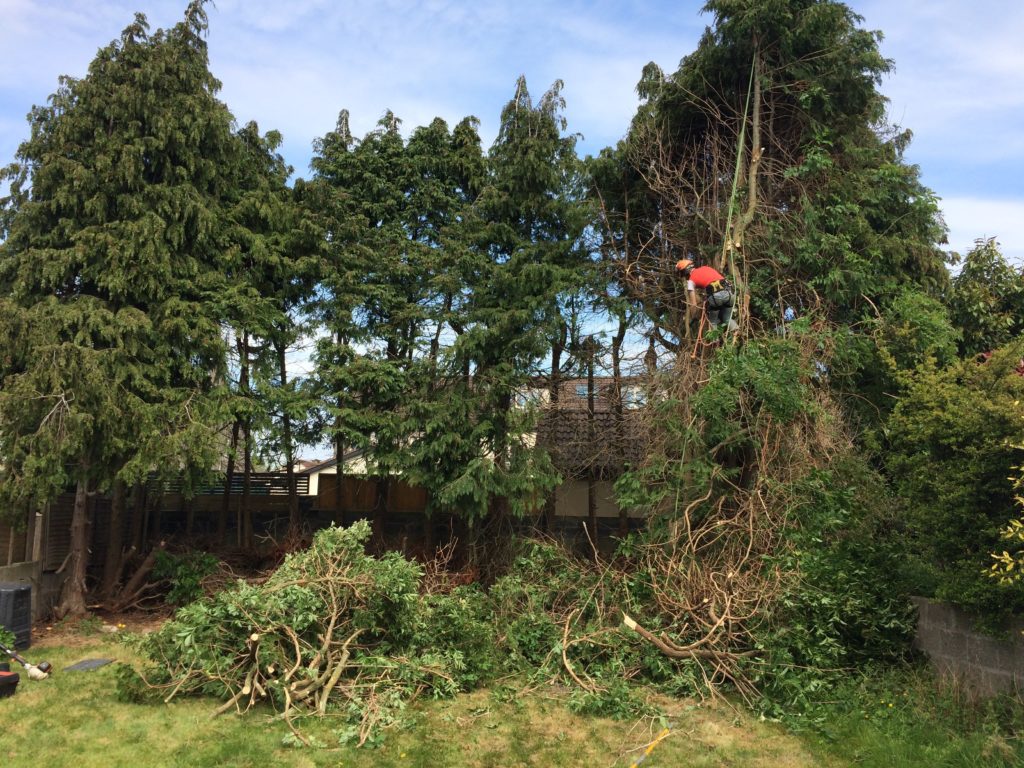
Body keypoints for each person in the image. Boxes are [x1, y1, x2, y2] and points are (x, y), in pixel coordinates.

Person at [675, 259, 737, 332]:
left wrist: (694, 316)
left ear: (685, 272)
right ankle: (737, 332)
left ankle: (714, 340)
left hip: (716, 297)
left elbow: (693, 304)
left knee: (713, 322)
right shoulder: (706, 268)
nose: (685, 278)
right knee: (727, 318)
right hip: (731, 293)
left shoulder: (690, 282)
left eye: (684, 275)